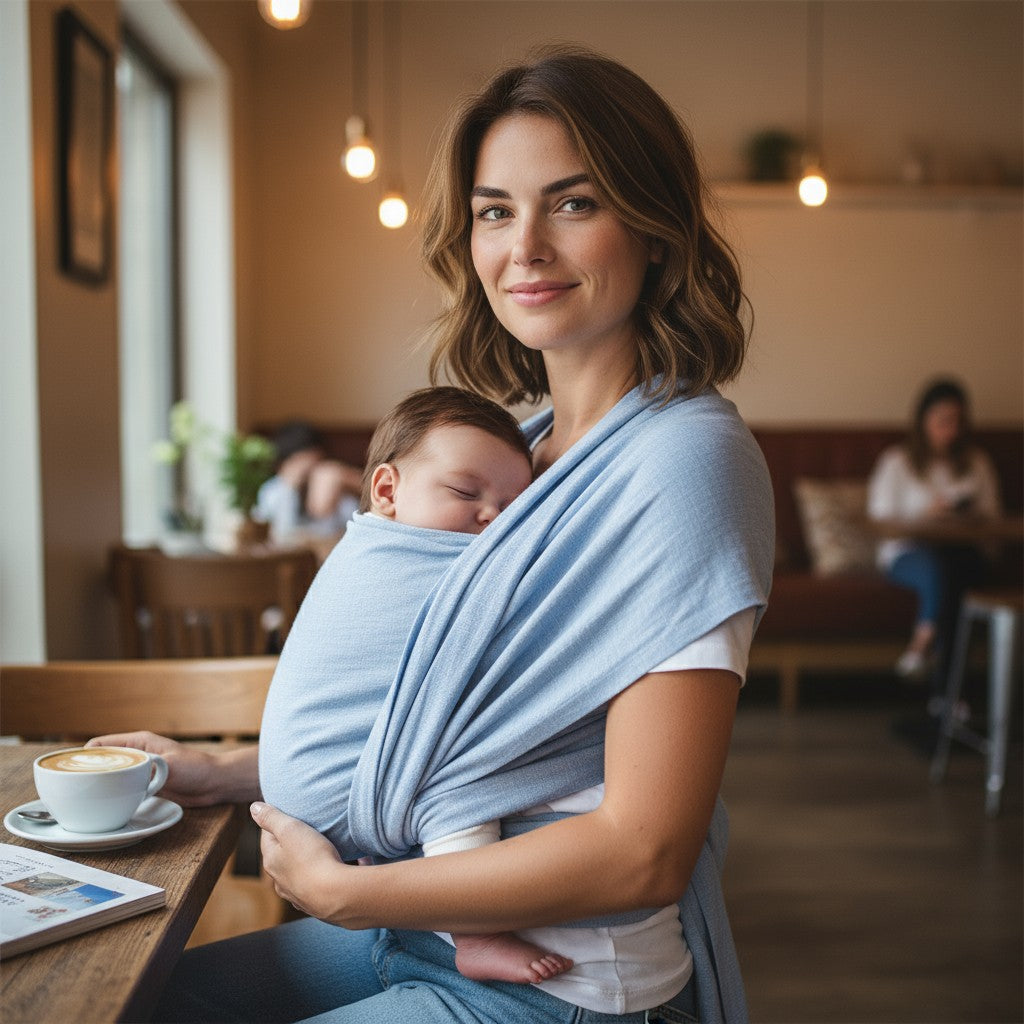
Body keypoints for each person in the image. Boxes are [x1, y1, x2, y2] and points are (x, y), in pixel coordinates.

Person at [90, 45, 774, 1024]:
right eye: (496, 209)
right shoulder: (525, 449)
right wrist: (232, 769)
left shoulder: (684, 460)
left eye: (573, 203)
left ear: (654, 227)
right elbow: (462, 725)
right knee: (139, 1004)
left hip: (561, 982)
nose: (524, 245)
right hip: (425, 929)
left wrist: (344, 891)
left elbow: (645, 845)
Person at [260, 384, 573, 985]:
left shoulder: (353, 552)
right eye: (465, 492)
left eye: (514, 508)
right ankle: (475, 931)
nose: (492, 518)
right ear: (386, 491)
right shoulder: (403, 560)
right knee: (464, 769)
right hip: (339, 787)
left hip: (300, 787)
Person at [867, 378, 1002, 700]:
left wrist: (963, 516)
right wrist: (927, 514)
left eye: (957, 421)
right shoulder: (896, 462)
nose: (951, 429)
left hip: (962, 551)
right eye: (943, 420)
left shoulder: (976, 463)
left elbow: (993, 518)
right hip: (908, 552)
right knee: (944, 572)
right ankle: (949, 691)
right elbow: (881, 519)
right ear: (923, 420)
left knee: (959, 567)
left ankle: (928, 660)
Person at [256, 420, 363, 540]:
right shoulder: (274, 491)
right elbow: (280, 533)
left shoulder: (332, 481)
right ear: (282, 465)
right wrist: (290, 488)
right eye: (297, 463)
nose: (304, 471)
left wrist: (344, 478)